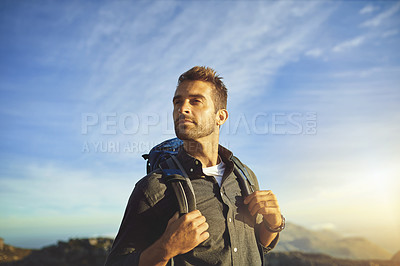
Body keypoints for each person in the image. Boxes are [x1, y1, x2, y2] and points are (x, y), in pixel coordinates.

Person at [105, 66, 284, 266]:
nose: (182, 109)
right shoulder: (153, 189)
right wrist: (164, 249)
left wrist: (274, 223)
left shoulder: (244, 177)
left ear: (221, 117)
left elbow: (257, 244)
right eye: (177, 102)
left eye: (195, 101)